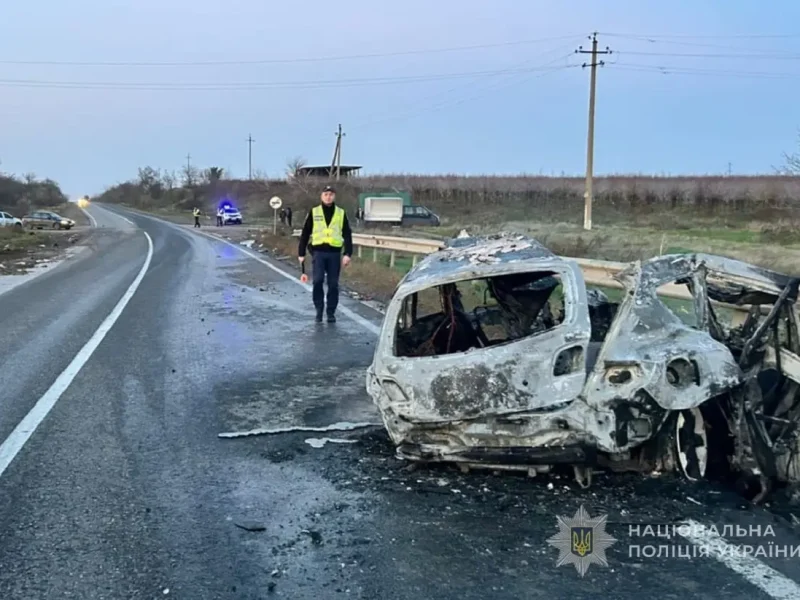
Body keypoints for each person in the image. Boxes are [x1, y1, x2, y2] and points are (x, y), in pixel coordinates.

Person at [297, 185, 353, 323]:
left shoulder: (340, 213)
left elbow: (347, 234)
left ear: (334, 196)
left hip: (334, 253)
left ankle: (331, 312)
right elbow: (305, 233)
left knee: (333, 284)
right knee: (317, 281)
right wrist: (301, 252)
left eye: (331, 194)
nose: (328, 197)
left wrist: (348, 254)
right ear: (321, 196)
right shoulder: (314, 212)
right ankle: (319, 309)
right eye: (326, 194)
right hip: (319, 253)